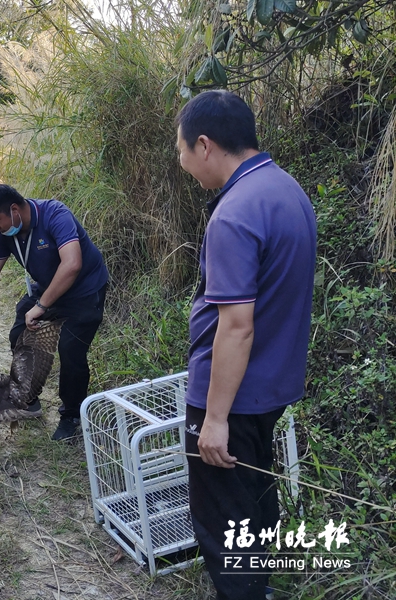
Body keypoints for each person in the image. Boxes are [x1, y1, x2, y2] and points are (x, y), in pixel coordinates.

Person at [176, 90, 316, 599]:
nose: (184, 163)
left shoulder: (233, 213)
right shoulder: (287, 189)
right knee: (254, 495)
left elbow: (236, 326)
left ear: (206, 145)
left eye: (183, 151)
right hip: (272, 386)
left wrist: (213, 419)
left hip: (233, 395)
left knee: (222, 519)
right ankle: (259, 587)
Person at [0, 184, 109, 441]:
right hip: (48, 288)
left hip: (84, 291)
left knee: (71, 351)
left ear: (14, 209)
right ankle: (30, 400)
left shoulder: (55, 215)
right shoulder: (5, 234)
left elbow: (72, 264)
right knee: (18, 336)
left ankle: (71, 417)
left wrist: (42, 305)